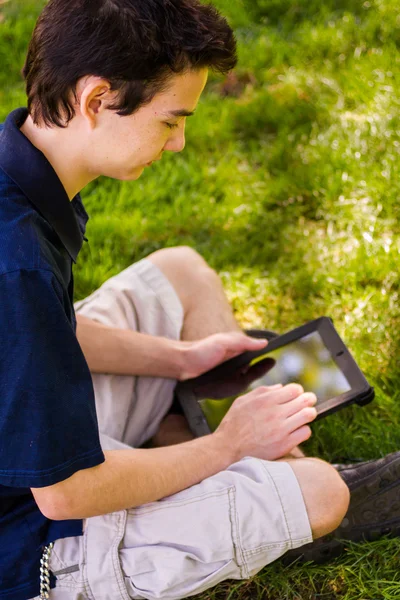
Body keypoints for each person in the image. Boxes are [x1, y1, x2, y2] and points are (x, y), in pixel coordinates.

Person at [0, 1, 399, 599]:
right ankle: (256, 476)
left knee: (181, 271)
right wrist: (227, 444)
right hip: (36, 535)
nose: (181, 142)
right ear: (95, 100)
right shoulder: (17, 260)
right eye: (170, 120)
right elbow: (67, 492)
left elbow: (39, 336)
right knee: (324, 494)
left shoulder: (22, 179)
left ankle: (204, 453)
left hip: (31, 446)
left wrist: (179, 359)